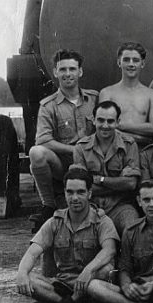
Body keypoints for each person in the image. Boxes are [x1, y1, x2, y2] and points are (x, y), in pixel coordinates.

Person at [15, 168, 118, 303]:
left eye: (80, 192)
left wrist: (88, 271)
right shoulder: (55, 222)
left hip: (92, 283)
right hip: (63, 285)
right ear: (64, 193)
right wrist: (22, 273)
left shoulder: (102, 221)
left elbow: (110, 250)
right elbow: (33, 252)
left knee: (105, 269)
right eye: (70, 192)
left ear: (89, 193)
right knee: (28, 278)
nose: (74, 198)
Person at [29, 49, 98, 228]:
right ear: (55, 72)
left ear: (80, 71)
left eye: (72, 69)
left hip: (92, 163)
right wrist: (74, 149)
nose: (68, 74)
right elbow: (43, 140)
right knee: (36, 153)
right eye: (63, 69)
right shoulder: (48, 105)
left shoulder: (94, 99)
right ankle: (48, 205)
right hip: (64, 165)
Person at [71, 100, 140, 235]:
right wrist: (117, 184)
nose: (105, 125)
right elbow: (81, 187)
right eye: (101, 120)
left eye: (110, 121)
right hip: (90, 206)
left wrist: (99, 180)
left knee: (132, 228)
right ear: (93, 120)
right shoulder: (81, 147)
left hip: (121, 206)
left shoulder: (129, 145)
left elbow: (131, 184)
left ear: (118, 122)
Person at [99, 42, 153, 146]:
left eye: (135, 60)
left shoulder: (152, 95)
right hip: (115, 151)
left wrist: (121, 126)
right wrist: (139, 137)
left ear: (142, 63)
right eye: (126, 60)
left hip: (144, 152)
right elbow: (105, 127)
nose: (131, 64)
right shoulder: (107, 93)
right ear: (119, 62)